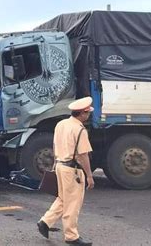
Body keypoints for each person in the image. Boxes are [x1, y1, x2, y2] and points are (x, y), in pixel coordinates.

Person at [37, 97, 95, 246]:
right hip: (73, 170)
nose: (88, 116)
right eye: (87, 113)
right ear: (82, 113)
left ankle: (45, 221)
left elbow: (55, 145)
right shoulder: (80, 129)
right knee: (73, 203)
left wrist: (56, 163)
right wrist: (89, 176)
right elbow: (83, 156)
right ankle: (71, 236)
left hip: (61, 166)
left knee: (63, 198)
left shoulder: (61, 124)